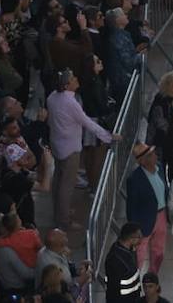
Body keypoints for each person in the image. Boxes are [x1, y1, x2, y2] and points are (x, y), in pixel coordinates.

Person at [48, 66, 116, 229]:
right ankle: (63, 220)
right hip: (70, 147)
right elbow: (87, 122)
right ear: (66, 85)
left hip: (57, 144)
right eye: (73, 79)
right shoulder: (70, 102)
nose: (76, 79)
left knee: (58, 180)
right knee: (66, 185)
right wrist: (108, 136)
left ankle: (59, 212)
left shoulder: (52, 97)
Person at [125, 143, 170, 275]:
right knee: (139, 253)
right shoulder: (134, 179)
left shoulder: (160, 168)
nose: (155, 156)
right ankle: (135, 280)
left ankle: (153, 275)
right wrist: (134, 228)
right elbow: (131, 206)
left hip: (162, 215)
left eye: (154, 153)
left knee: (159, 251)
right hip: (144, 220)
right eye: (150, 155)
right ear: (142, 161)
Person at [105, 222, 144, 303]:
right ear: (131, 239)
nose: (141, 239)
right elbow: (114, 289)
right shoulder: (116, 260)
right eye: (139, 237)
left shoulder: (129, 249)